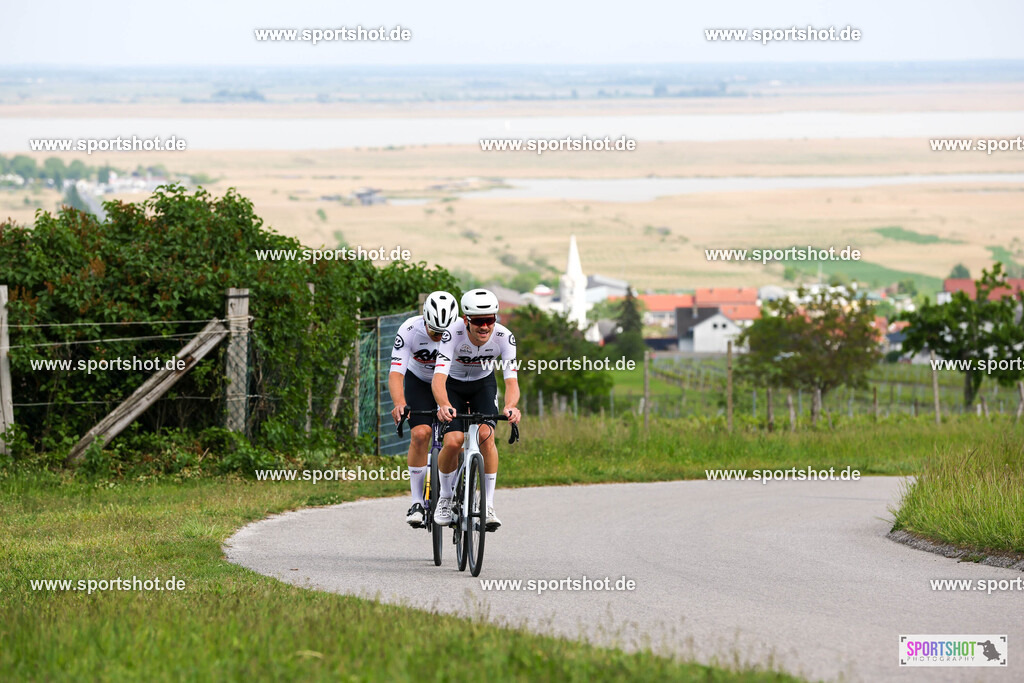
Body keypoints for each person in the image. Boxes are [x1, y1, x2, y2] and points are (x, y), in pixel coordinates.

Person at [431, 288, 521, 530]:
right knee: (452, 441)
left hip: (483, 384)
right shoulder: (452, 335)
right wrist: (443, 404)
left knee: (485, 436)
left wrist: (511, 406)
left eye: (490, 320)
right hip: (453, 385)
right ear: (466, 320)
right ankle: (445, 498)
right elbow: (438, 378)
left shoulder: (505, 337)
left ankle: (488, 505)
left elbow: (511, 381)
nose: (485, 327)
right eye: (479, 321)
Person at [388, 290, 459, 527]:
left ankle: (459, 491)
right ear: (425, 320)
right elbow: (397, 373)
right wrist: (400, 403)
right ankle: (417, 501)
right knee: (420, 434)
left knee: (456, 438)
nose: (439, 337)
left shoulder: (461, 330)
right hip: (419, 381)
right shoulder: (410, 330)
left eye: (444, 333)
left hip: (451, 382)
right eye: (434, 332)